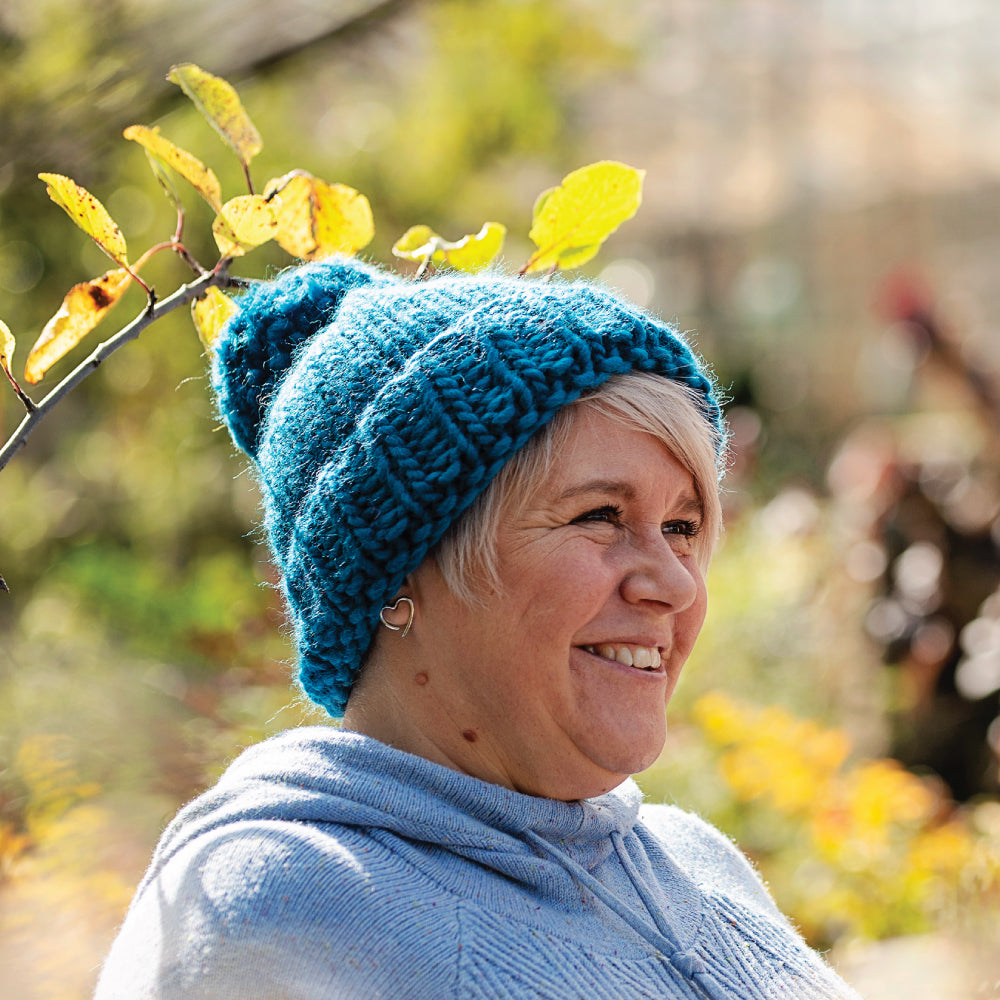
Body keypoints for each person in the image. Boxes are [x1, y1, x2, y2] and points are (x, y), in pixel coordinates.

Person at [95, 258, 861, 999]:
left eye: (683, 526)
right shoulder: (261, 912)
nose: (674, 582)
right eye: (600, 515)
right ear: (398, 573)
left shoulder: (695, 863)